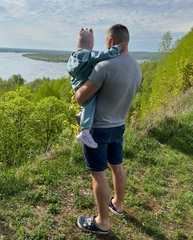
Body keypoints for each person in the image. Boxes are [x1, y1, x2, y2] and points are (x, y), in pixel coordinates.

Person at [75, 24, 142, 235]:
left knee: (98, 174)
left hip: (97, 129)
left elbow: (80, 97)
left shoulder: (105, 67)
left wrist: (81, 53)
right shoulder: (136, 68)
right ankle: (118, 205)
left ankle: (102, 222)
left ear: (111, 43)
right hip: (118, 126)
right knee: (117, 165)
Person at [67, 28, 121, 148]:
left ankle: (82, 113)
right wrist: (117, 48)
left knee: (86, 104)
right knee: (91, 102)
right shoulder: (89, 56)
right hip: (84, 85)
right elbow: (106, 54)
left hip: (76, 85)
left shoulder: (73, 58)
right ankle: (85, 131)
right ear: (90, 44)